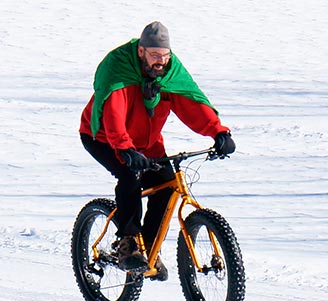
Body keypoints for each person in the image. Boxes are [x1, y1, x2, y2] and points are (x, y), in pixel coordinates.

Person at [79, 21, 236, 279]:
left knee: (166, 182)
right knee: (129, 178)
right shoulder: (120, 71)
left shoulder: (169, 73)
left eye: (164, 56)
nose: (160, 62)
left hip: (146, 143)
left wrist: (218, 131)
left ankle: (149, 250)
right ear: (141, 52)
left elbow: (192, 104)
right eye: (154, 56)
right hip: (104, 137)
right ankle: (128, 242)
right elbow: (114, 117)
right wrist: (125, 149)